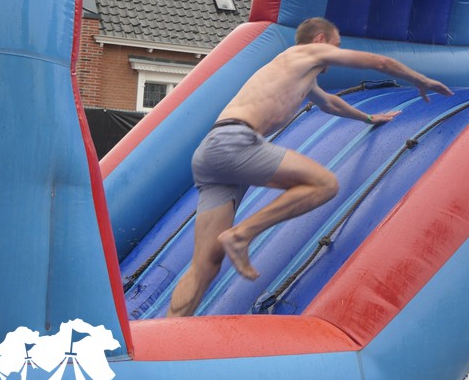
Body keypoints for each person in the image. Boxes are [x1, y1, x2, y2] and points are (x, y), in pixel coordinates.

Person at [167, 17, 453, 317]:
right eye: (336, 45)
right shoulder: (307, 53)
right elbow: (379, 62)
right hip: (234, 141)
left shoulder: (297, 72)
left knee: (205, 264)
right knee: (325, 184)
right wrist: (420, 79)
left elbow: (331, 103)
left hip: (211, 153)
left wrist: (369, 118)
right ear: (320, 40)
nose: (337, 52)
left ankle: (165, 330)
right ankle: (242, 235)